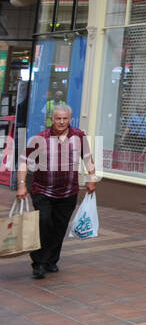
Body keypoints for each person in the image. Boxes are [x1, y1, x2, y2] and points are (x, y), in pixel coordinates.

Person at [16, 103, 96, 279]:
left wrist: (92, 177)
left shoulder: (79, 136)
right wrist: (21, 184)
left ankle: (51, 260)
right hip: (43, 190)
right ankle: (38, 263)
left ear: (70, 119)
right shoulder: (41, 138)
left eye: (64, 118)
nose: (61, 122)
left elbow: (88, 157)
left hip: (68, 191)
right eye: (58, 118)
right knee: (44, 223)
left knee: (59, 227)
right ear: (52, 119)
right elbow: (23, 161)